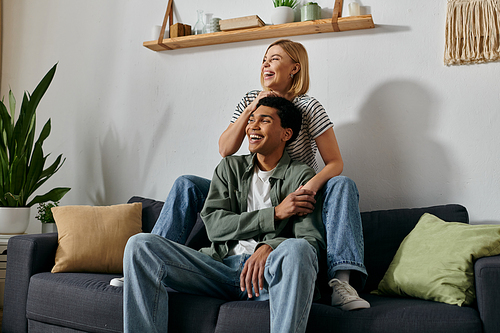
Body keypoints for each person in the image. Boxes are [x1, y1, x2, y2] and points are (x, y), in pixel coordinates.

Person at [132, 39, 369, 310]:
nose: (266, 63)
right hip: (253, 184)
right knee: (186, 184)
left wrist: (308, 188)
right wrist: (252, 107)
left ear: (294, 68)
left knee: (342, 184)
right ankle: (151, 265)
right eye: (265, 58)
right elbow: (225, 149)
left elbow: (335, 162)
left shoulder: (308, 106)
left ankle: (342, 280)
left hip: (296, 186)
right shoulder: (250, 101)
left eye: (275, 58)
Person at [123, 97, 325, 333]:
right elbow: (215, 227)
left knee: (298, 249)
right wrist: (275, 214)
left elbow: (310, 242)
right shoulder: (229, 168)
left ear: (286, 134)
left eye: (264, 120)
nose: (252, 126)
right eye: (251, 120)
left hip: (267, 275)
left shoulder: (302, 176)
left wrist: (269, 246)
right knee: (140, 245)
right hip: (218, 268)